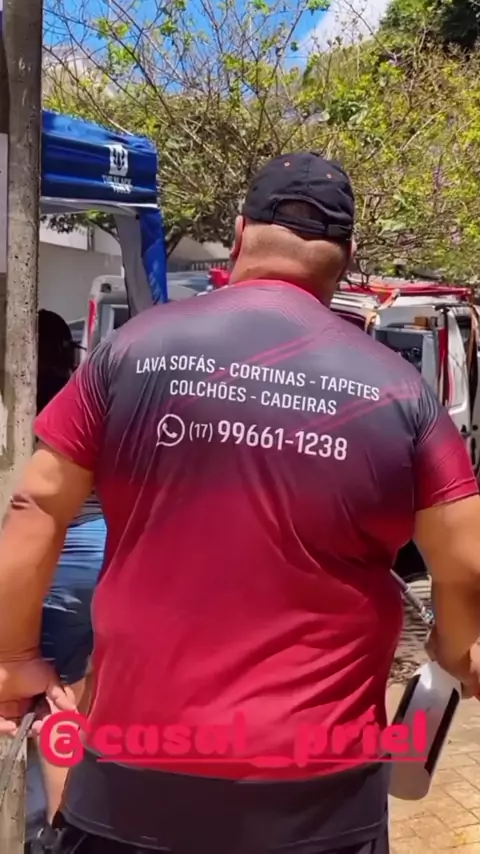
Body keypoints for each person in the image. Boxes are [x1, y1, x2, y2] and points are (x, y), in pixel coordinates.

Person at [1, 152, 480, 854]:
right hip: (320, 797)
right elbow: (465, 561)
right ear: (347, 257)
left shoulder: (135, 348)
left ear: (238, 232)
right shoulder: (401, 391)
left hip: (134, 779)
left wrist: (13, 658)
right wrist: (456, 649)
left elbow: (37, 503)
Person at [27, 311, 107, 842]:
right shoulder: (86, 398)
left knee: (43, 696)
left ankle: (55, 829)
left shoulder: (21, 403)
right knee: (74, 687)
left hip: (56, 551)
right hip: (105, 548)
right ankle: (73, 822)